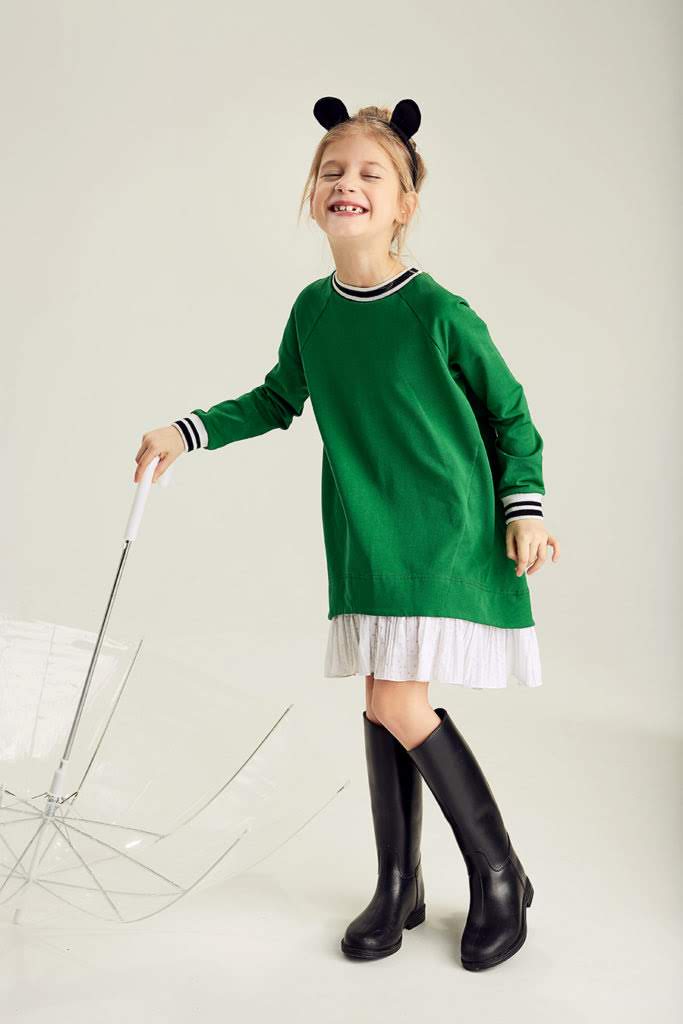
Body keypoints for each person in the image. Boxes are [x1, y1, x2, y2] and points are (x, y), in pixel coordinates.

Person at [134, 96, 560, 971]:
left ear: (404, 204)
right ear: (312, 195)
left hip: (440, 525)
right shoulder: (313, 310)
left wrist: (524, 506)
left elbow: (510, 413)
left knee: (397, 702)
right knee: (379, 698)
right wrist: (185, 430)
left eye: (370, 172)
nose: (346, 182)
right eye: (332, 171)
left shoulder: (436, 309)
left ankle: (500, 874)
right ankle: (399, 883)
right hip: (364, 529)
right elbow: (275, 398)